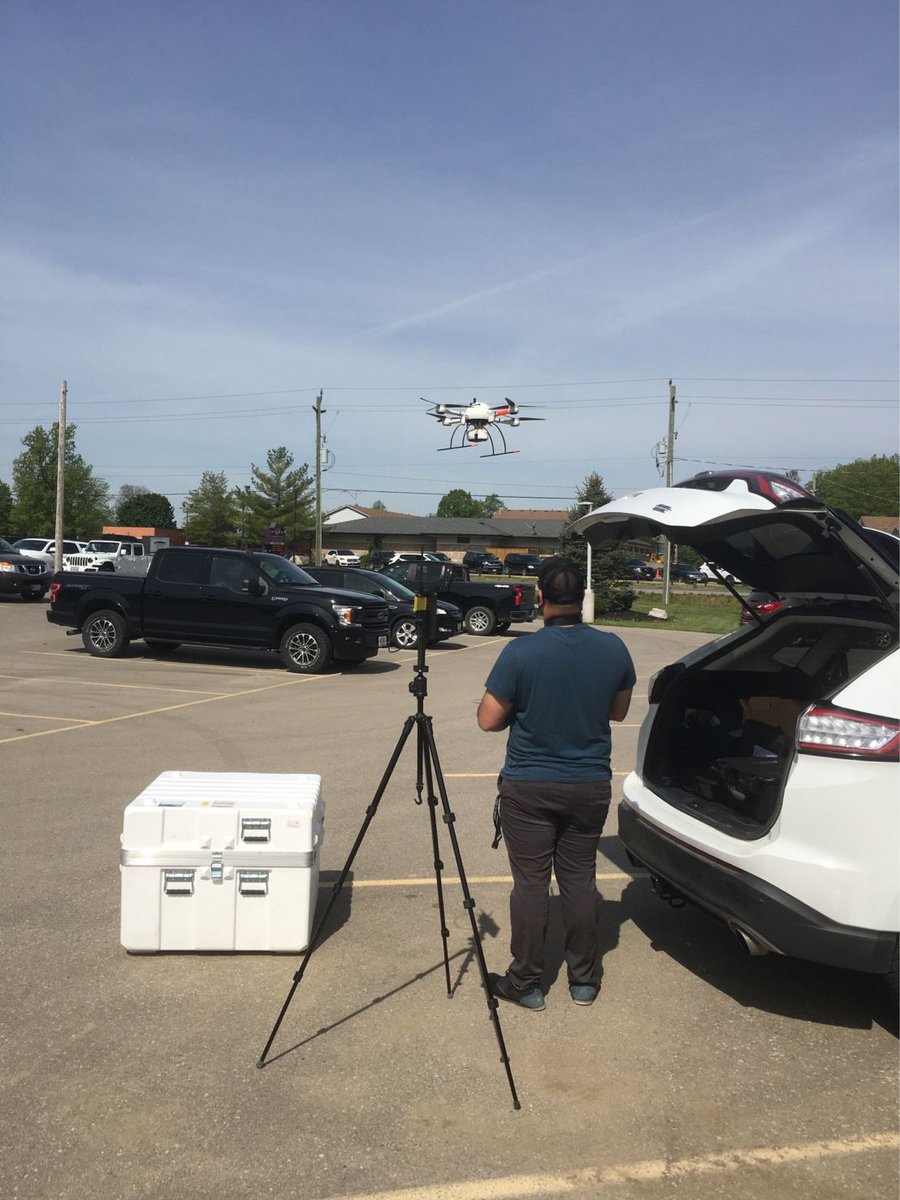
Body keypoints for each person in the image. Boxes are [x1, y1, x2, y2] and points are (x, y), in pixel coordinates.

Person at [476, 556, 636, 1010]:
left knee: (530, 882)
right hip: (588, 784)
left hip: (529, 786)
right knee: (580, 880)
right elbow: (618, 712)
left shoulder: (521, 653)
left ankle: (526, 981)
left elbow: (489, 720)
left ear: (540, 597)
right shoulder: (613, 648)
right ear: (583, 597)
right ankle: (584, 978)